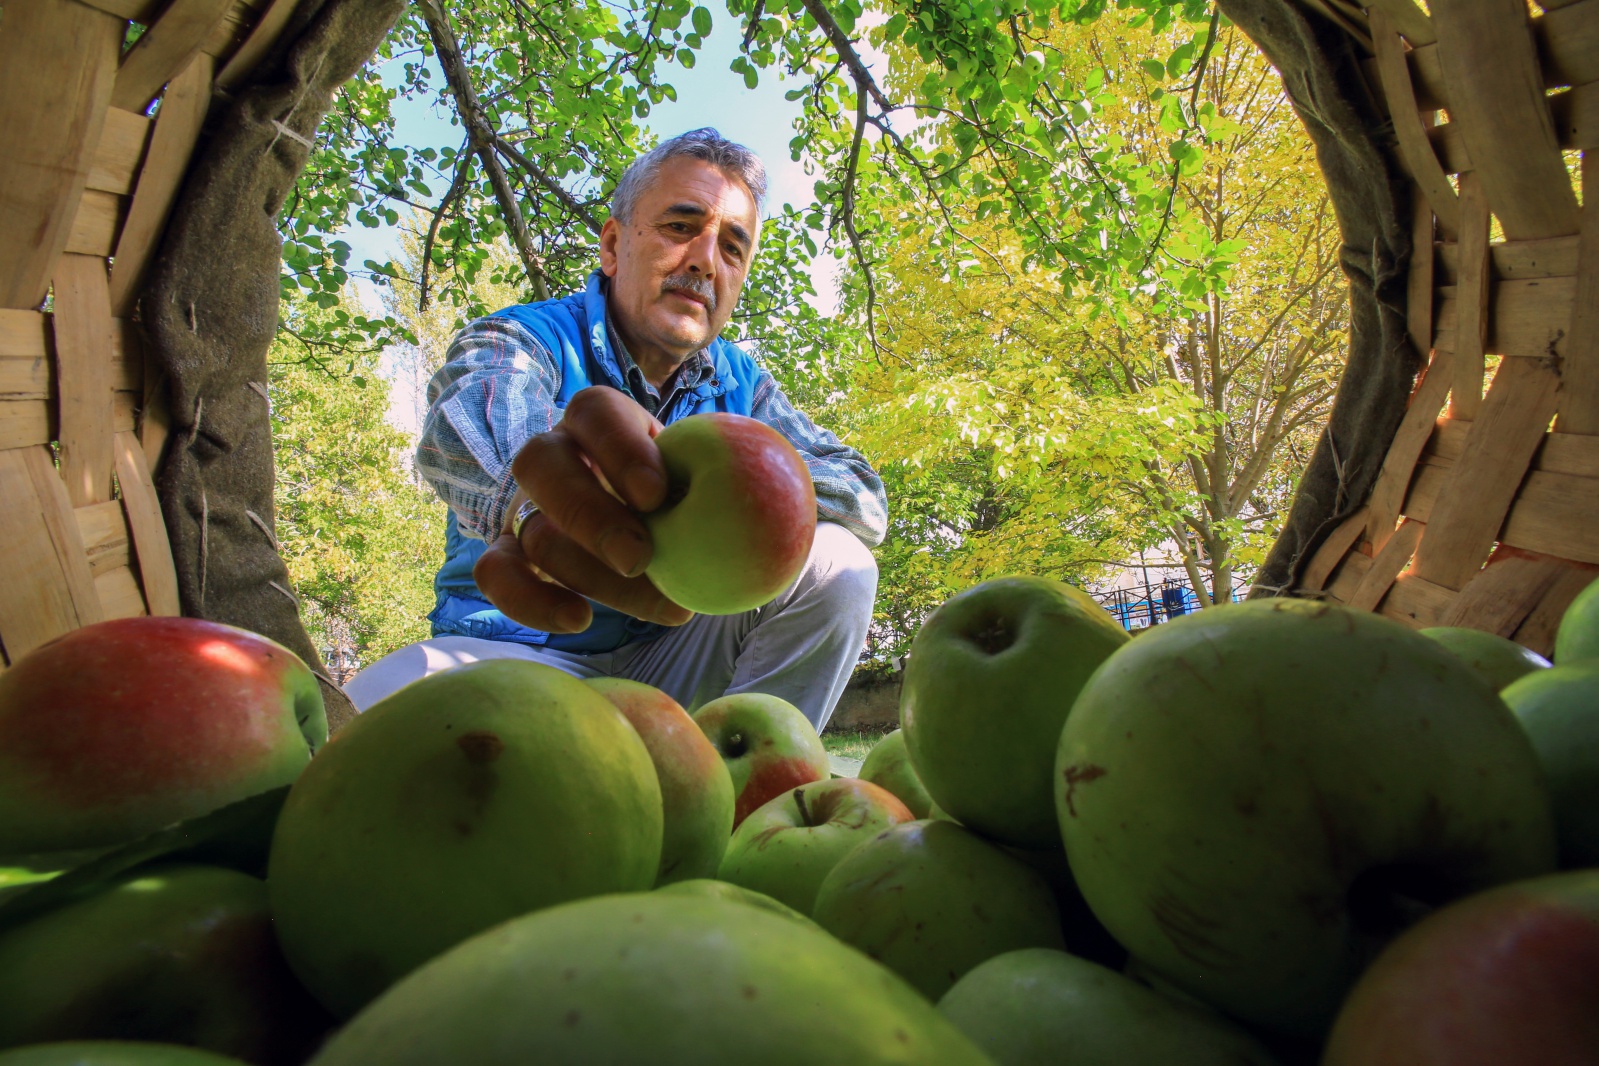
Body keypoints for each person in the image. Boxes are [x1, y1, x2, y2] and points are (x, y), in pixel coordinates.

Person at [344, 129, 887, 730]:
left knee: (840, 562)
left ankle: (753, 792)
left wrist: (733, 474)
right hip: (517, 650)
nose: (706, 260)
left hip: (677, 657)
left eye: (733, 248)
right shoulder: (524, 337)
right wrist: (532, 495)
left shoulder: (744, 385)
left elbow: (861, 491)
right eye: (681, 227)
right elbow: (467, 415)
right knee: (365, 721)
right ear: (611, 245)